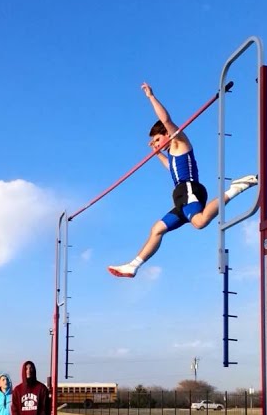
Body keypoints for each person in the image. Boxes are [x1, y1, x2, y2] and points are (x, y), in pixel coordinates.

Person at [107, 82, 258, 278]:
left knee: (200, 222)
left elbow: (166, 119)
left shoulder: (180, 142)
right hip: (181, 194)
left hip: (189, 189)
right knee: (157, 229)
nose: (156, 144)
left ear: (167, 134)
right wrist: (156, 153)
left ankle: (235, 188)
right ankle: (133, 266)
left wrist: (151, 97)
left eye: (157, 139)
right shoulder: (173, 153)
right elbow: (172, 168)